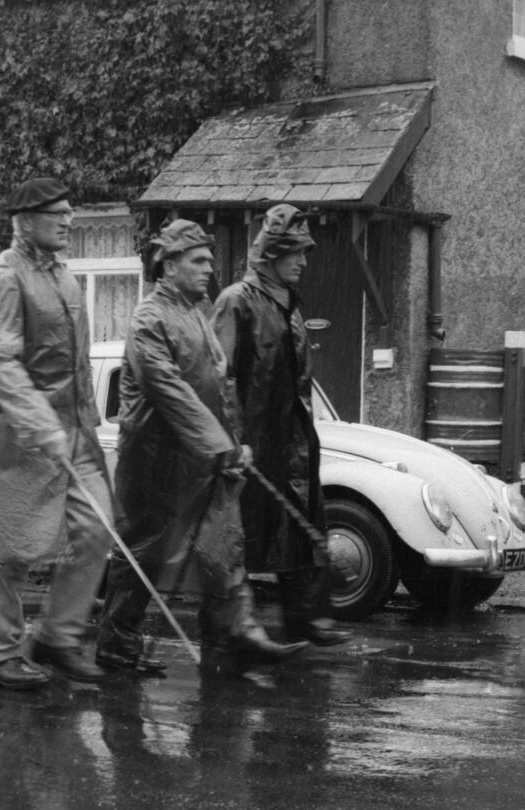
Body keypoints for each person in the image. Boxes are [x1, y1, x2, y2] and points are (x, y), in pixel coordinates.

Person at [94, 219, 309, 675]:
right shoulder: (148, 319)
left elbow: (222, 383)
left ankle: (238, 636)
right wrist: (219, 444)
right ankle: (117, 644)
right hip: (152, 461)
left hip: (201, 458)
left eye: (210, 261)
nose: (209, 269)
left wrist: (235, 441)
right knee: (143, 555)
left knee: (223, 543)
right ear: (169, 266)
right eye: (198, 261)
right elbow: (169, 390)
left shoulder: (199, 311)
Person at [0, 177, 113, 689]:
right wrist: (40, 424)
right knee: (12, 547)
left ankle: (57, 635)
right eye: (58, 213)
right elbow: (1, 362)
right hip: (16, 434)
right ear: (25, 220)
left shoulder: (65, 278)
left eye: (70, 212)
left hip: (71, 431)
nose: (68, 220)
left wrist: (84, 423)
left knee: (97, 530)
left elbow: (75, 362)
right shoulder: (1, 279)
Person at [213, 204, 351, 647]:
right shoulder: (237, 301)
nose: (304, 262)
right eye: (296, 252)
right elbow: (221, 375)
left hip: (292, 435)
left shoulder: (290, 304)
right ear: (272, 253)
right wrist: (234, 439)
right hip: (254, 438)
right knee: (239, 536)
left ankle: (308, 619)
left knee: (302, 520)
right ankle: (231, 632)